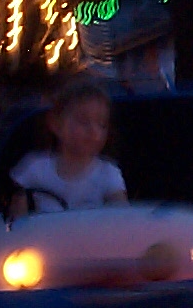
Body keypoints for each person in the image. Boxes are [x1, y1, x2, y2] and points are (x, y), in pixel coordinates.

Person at [8, 78, 128, 218]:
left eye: (102, 124)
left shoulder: (108, 174)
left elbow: (122, 218)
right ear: (56, 124)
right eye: (84, 121)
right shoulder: (33, 168)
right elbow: (16, 222)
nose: (94, 131)